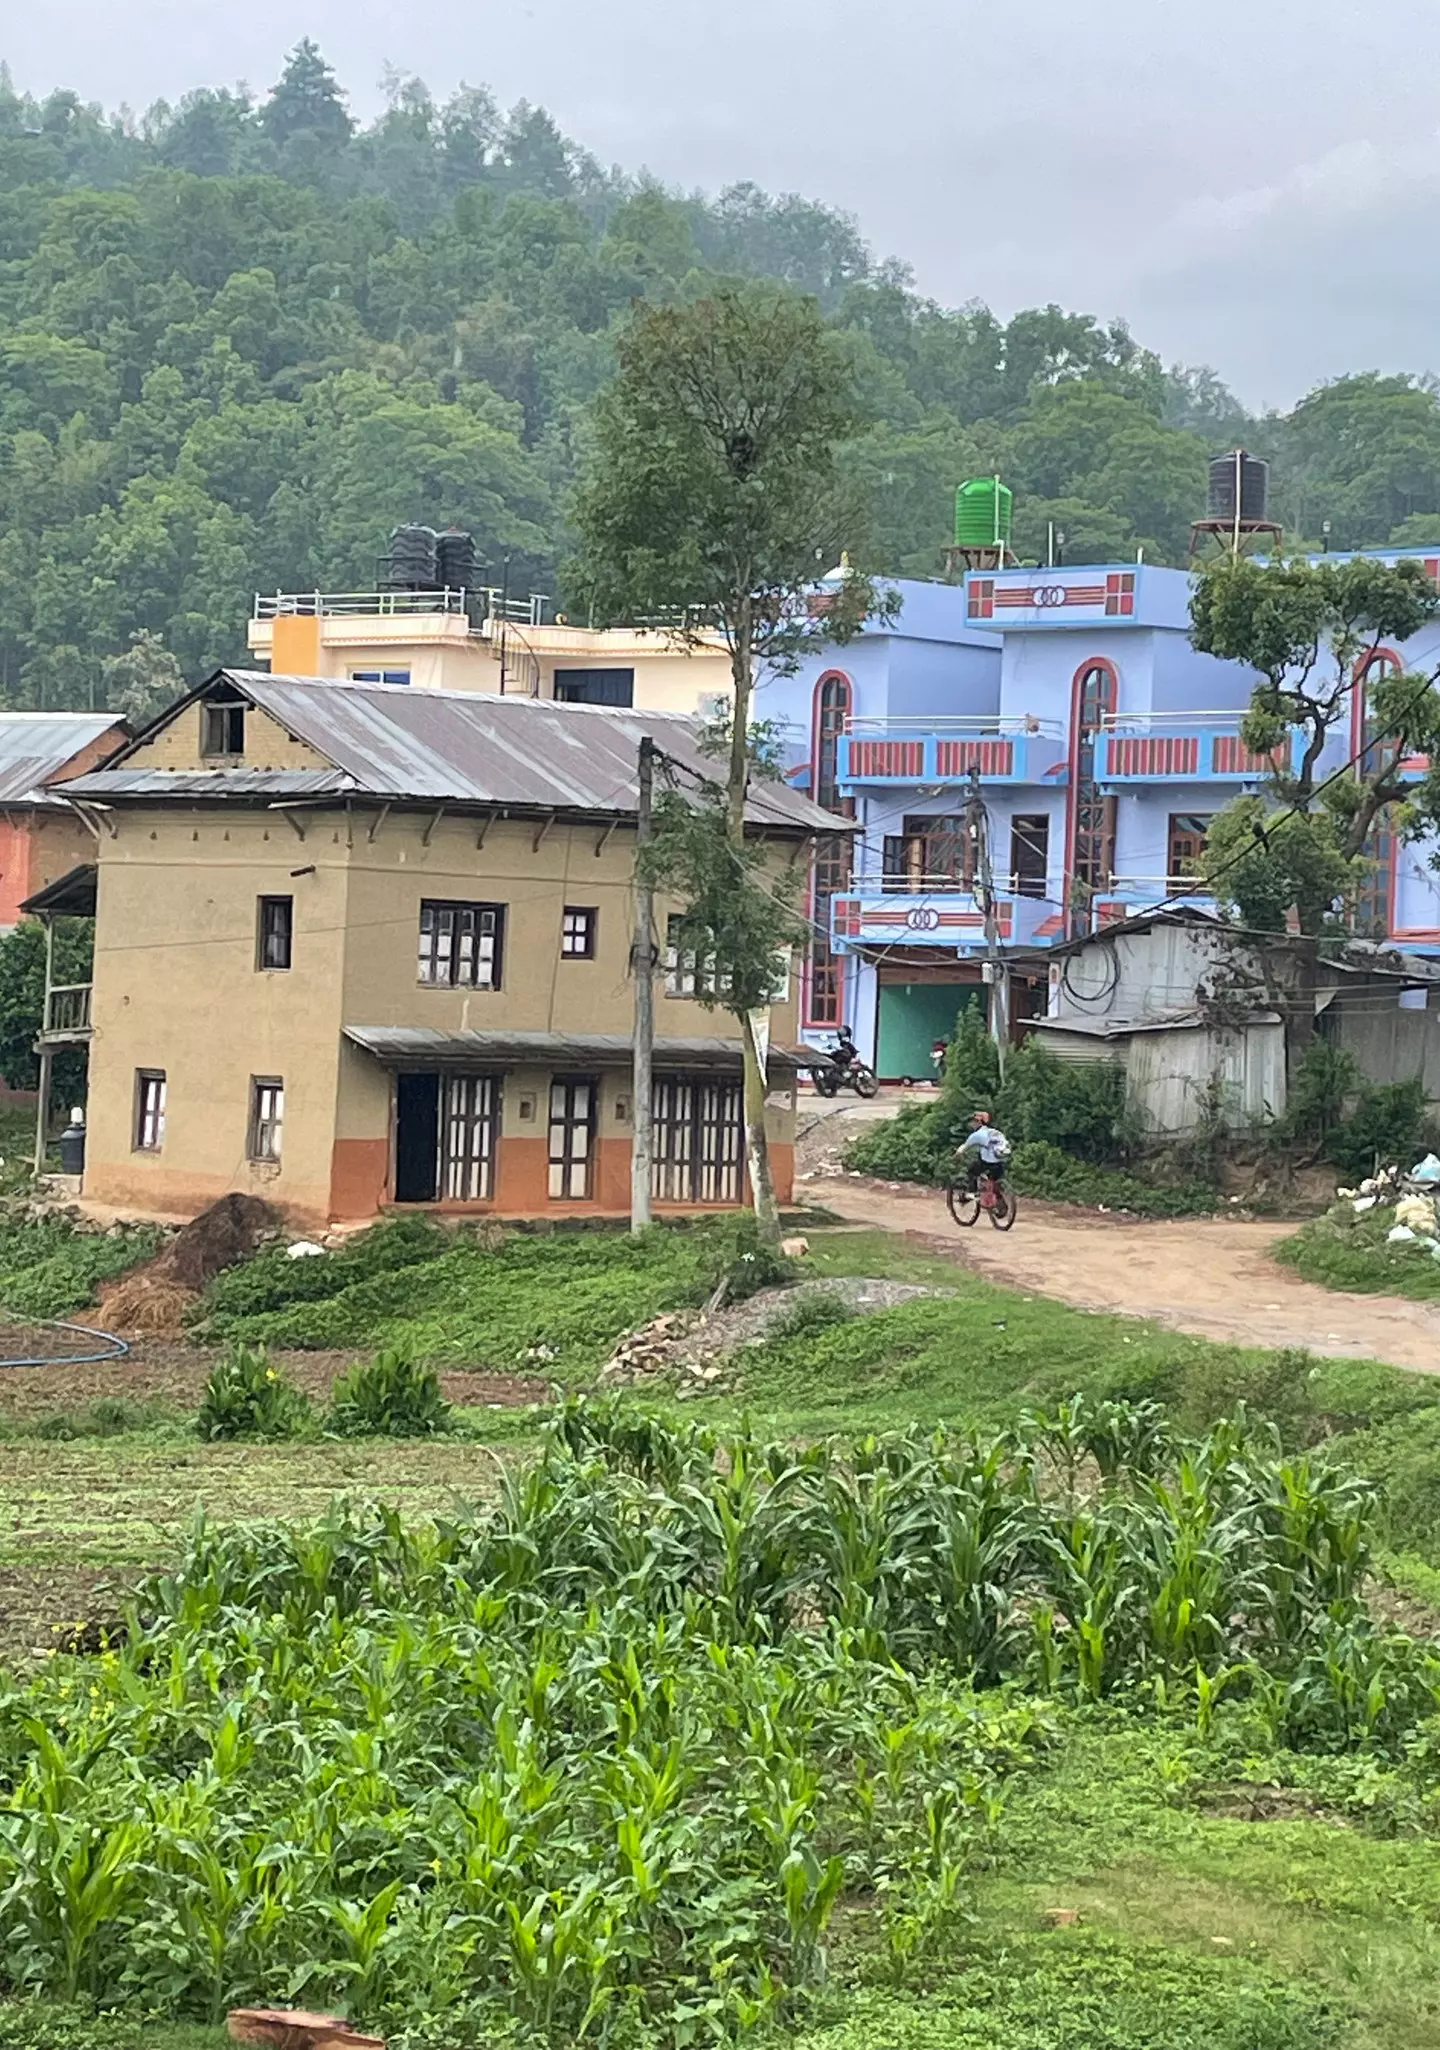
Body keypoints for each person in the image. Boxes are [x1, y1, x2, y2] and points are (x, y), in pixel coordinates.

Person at [955, 1109, 1011, 1192]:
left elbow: (964, 1147)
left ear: (979, 1122)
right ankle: (998, 1197)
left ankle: (972, 1192)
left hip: (988, 1162)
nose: (971, 1124)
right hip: (1001, 1161)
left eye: (973, 1122)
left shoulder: (976, 1135)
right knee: (994, 1180)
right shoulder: (995, 1132)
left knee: (971, 1171)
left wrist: (957, 1154)